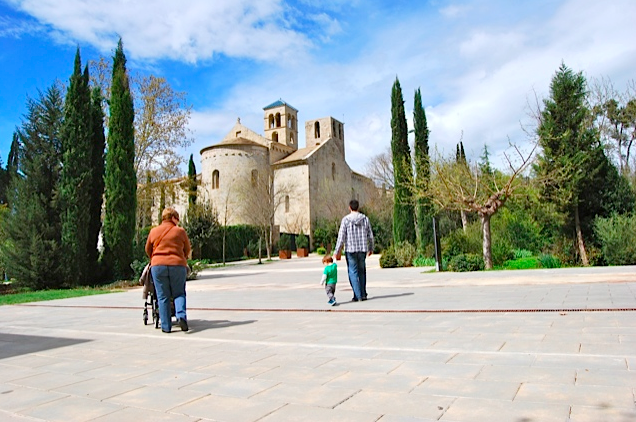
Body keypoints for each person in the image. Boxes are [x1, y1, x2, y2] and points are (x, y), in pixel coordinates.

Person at [145, 207, 192, 333]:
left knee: (162, 296)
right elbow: (187, 249)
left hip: (158, 266)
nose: (178, 221)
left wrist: (155, 258)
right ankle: (181, 316)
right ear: (173, 218)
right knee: (179, 293)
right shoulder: (180, 231)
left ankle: (166, 326)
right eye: (177, 218)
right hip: (177, 265)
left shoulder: (153, 231)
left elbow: (148, 249)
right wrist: (182, 257)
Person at [334, 199, 374, 302]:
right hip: (362, 249)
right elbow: (370, 235)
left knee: (353, 272)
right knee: (362, 271)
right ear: (358, 207)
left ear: (349, 207)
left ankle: (358, 295)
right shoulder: (365, 219)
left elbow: (341, 236)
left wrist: (337, 251)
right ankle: (363, 293)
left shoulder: (346, 220)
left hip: (350, 250)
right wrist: (371, 248)